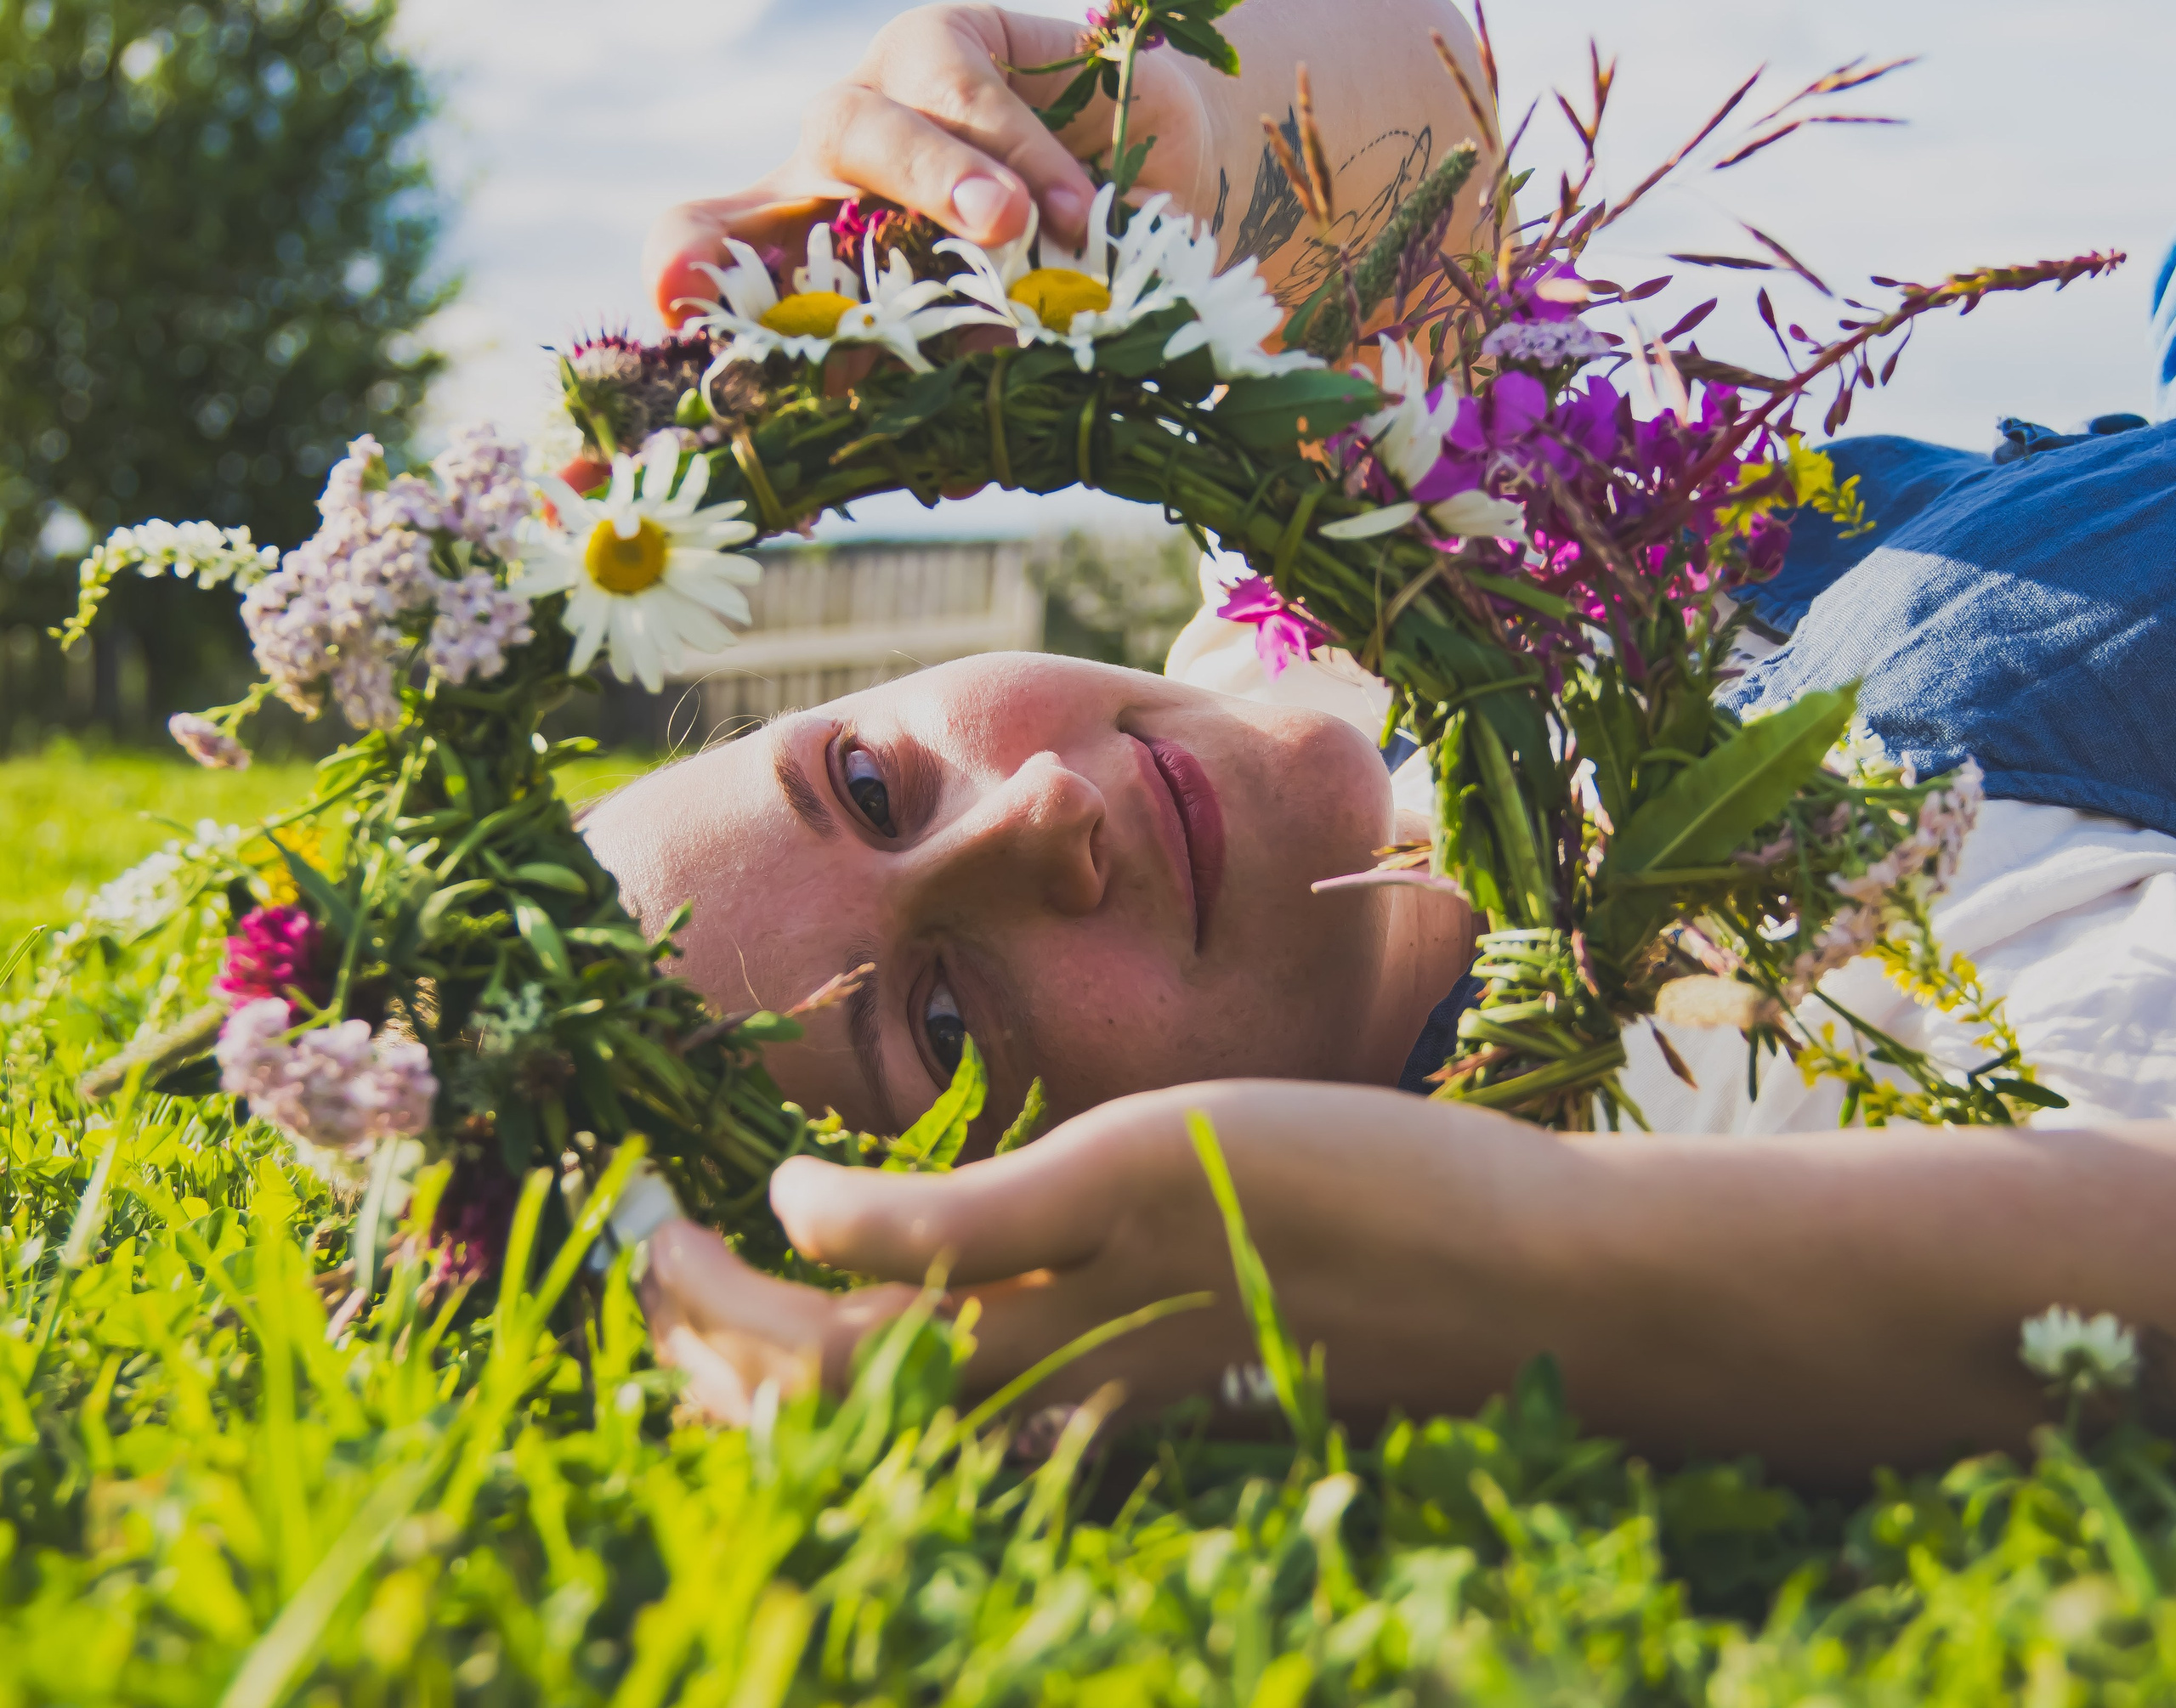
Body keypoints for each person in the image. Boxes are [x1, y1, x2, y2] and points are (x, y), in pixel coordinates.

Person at [593, 3, 2176, 1482]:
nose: (1041, 814)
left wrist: (1137, 132)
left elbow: (1422, 105)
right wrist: (1504, 1255)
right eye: (945, 1023)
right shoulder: (1738, 1102)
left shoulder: (1315, 616)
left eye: (870, 785)